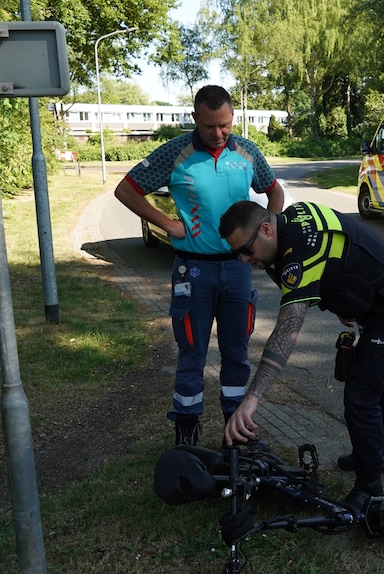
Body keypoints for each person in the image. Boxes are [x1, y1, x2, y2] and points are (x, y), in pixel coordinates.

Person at [219, 200, 384, 511]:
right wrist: (344, 301)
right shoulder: (286, 229)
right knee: (380, 372)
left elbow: (286, 333)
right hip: (376, 299)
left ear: (265, 229)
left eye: (246, 250)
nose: (242, 259)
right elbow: (338, 259)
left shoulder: (300, 250)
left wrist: (253, 398)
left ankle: (370, 487)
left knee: (362, 390)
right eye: (236, 252)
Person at [114, 85, 285, 447]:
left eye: (225, 125)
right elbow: (126, 190)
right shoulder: (176, 153)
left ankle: (235, 432)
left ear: (233, 117)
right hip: (194, 269)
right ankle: (187, 431)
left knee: (237, 351)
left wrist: (268, 229)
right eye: (210, 127)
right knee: (192, 352)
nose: (219, 133)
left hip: (238, 268)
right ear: (196, 119)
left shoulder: (247, 152)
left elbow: (274, 190)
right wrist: (166, 223)